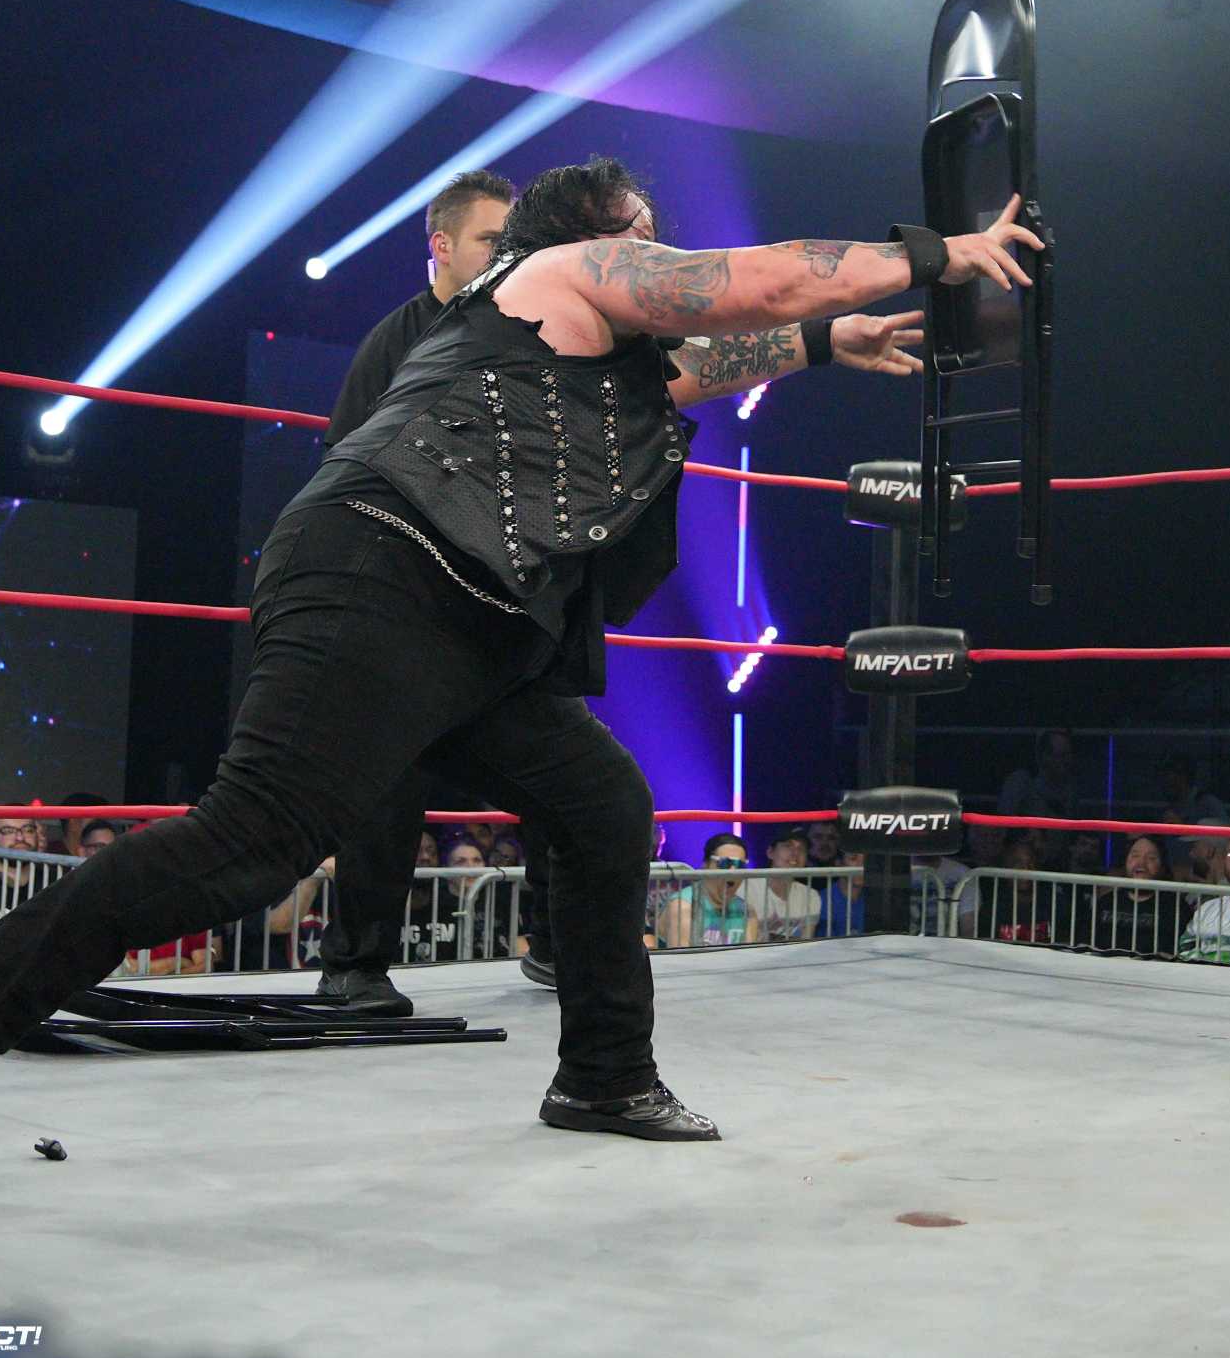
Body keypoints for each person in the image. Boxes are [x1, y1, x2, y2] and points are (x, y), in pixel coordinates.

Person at [0, 160, 1045, 1155]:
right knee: (254, 839)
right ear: (590, 237)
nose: (660, 252)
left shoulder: (590, 340)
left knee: (601, 803)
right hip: (385, 570)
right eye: (644, 236)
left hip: (467, 616)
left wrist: (829, 340)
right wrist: (939, 252)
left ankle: (605, 1076)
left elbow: (717, 356)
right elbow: (750, 283)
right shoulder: (555, 273)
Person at [313, 169, 932, 1010]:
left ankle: (559, 951)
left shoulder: (569, 324)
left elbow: (691, 365)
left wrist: (820, 340)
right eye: (489, 241)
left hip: (525, 598)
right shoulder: (416, 339)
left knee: (572, 782)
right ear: (442, 247)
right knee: (374, 778)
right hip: (419, 598)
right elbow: (349, 472)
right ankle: (355, 966)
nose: (504, 252)